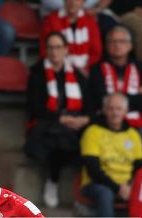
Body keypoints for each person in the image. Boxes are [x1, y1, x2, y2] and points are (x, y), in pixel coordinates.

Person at [26, 31, 93, 208]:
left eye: (58, 47)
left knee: (89, 135)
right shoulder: (37, 73)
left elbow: (89, 104)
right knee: (58, 138)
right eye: (50, 47)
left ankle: (84, 189)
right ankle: (53, 180)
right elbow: (35, 107)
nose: (54, 51)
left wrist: (84, 119)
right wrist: (61, 119)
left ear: (66, 50)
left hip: (73, 124)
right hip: (47, 124)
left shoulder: (77, 75)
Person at [79, 93, 142, 218]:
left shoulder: (133, 135)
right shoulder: (92, 132)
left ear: (126, 111)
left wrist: (131, 187)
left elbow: (140, 167)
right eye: (111, 108)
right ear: (104, 110)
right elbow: (93, 169)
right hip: (97, 185)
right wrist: (119, 188)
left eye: (119, 108)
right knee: (106, 194)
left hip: (128, 186)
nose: (115, 113)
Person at [87, 26, 142, 131]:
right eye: (113, 42)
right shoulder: (97, 69)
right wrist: (134, 96)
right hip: (106, 123)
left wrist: (114, 97)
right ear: (106, 46)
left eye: (122, 41)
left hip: (136, 124)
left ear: (130, 46)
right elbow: (100, 99)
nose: (117, 45)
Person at [40, 0, 102, 72]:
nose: (73, 2)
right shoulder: (51, 20)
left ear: (83, 2)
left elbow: (96, 52)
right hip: (59, 70)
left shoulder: (90, 20)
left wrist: (85, 69)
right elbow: (45, 50)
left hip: (87, 70)